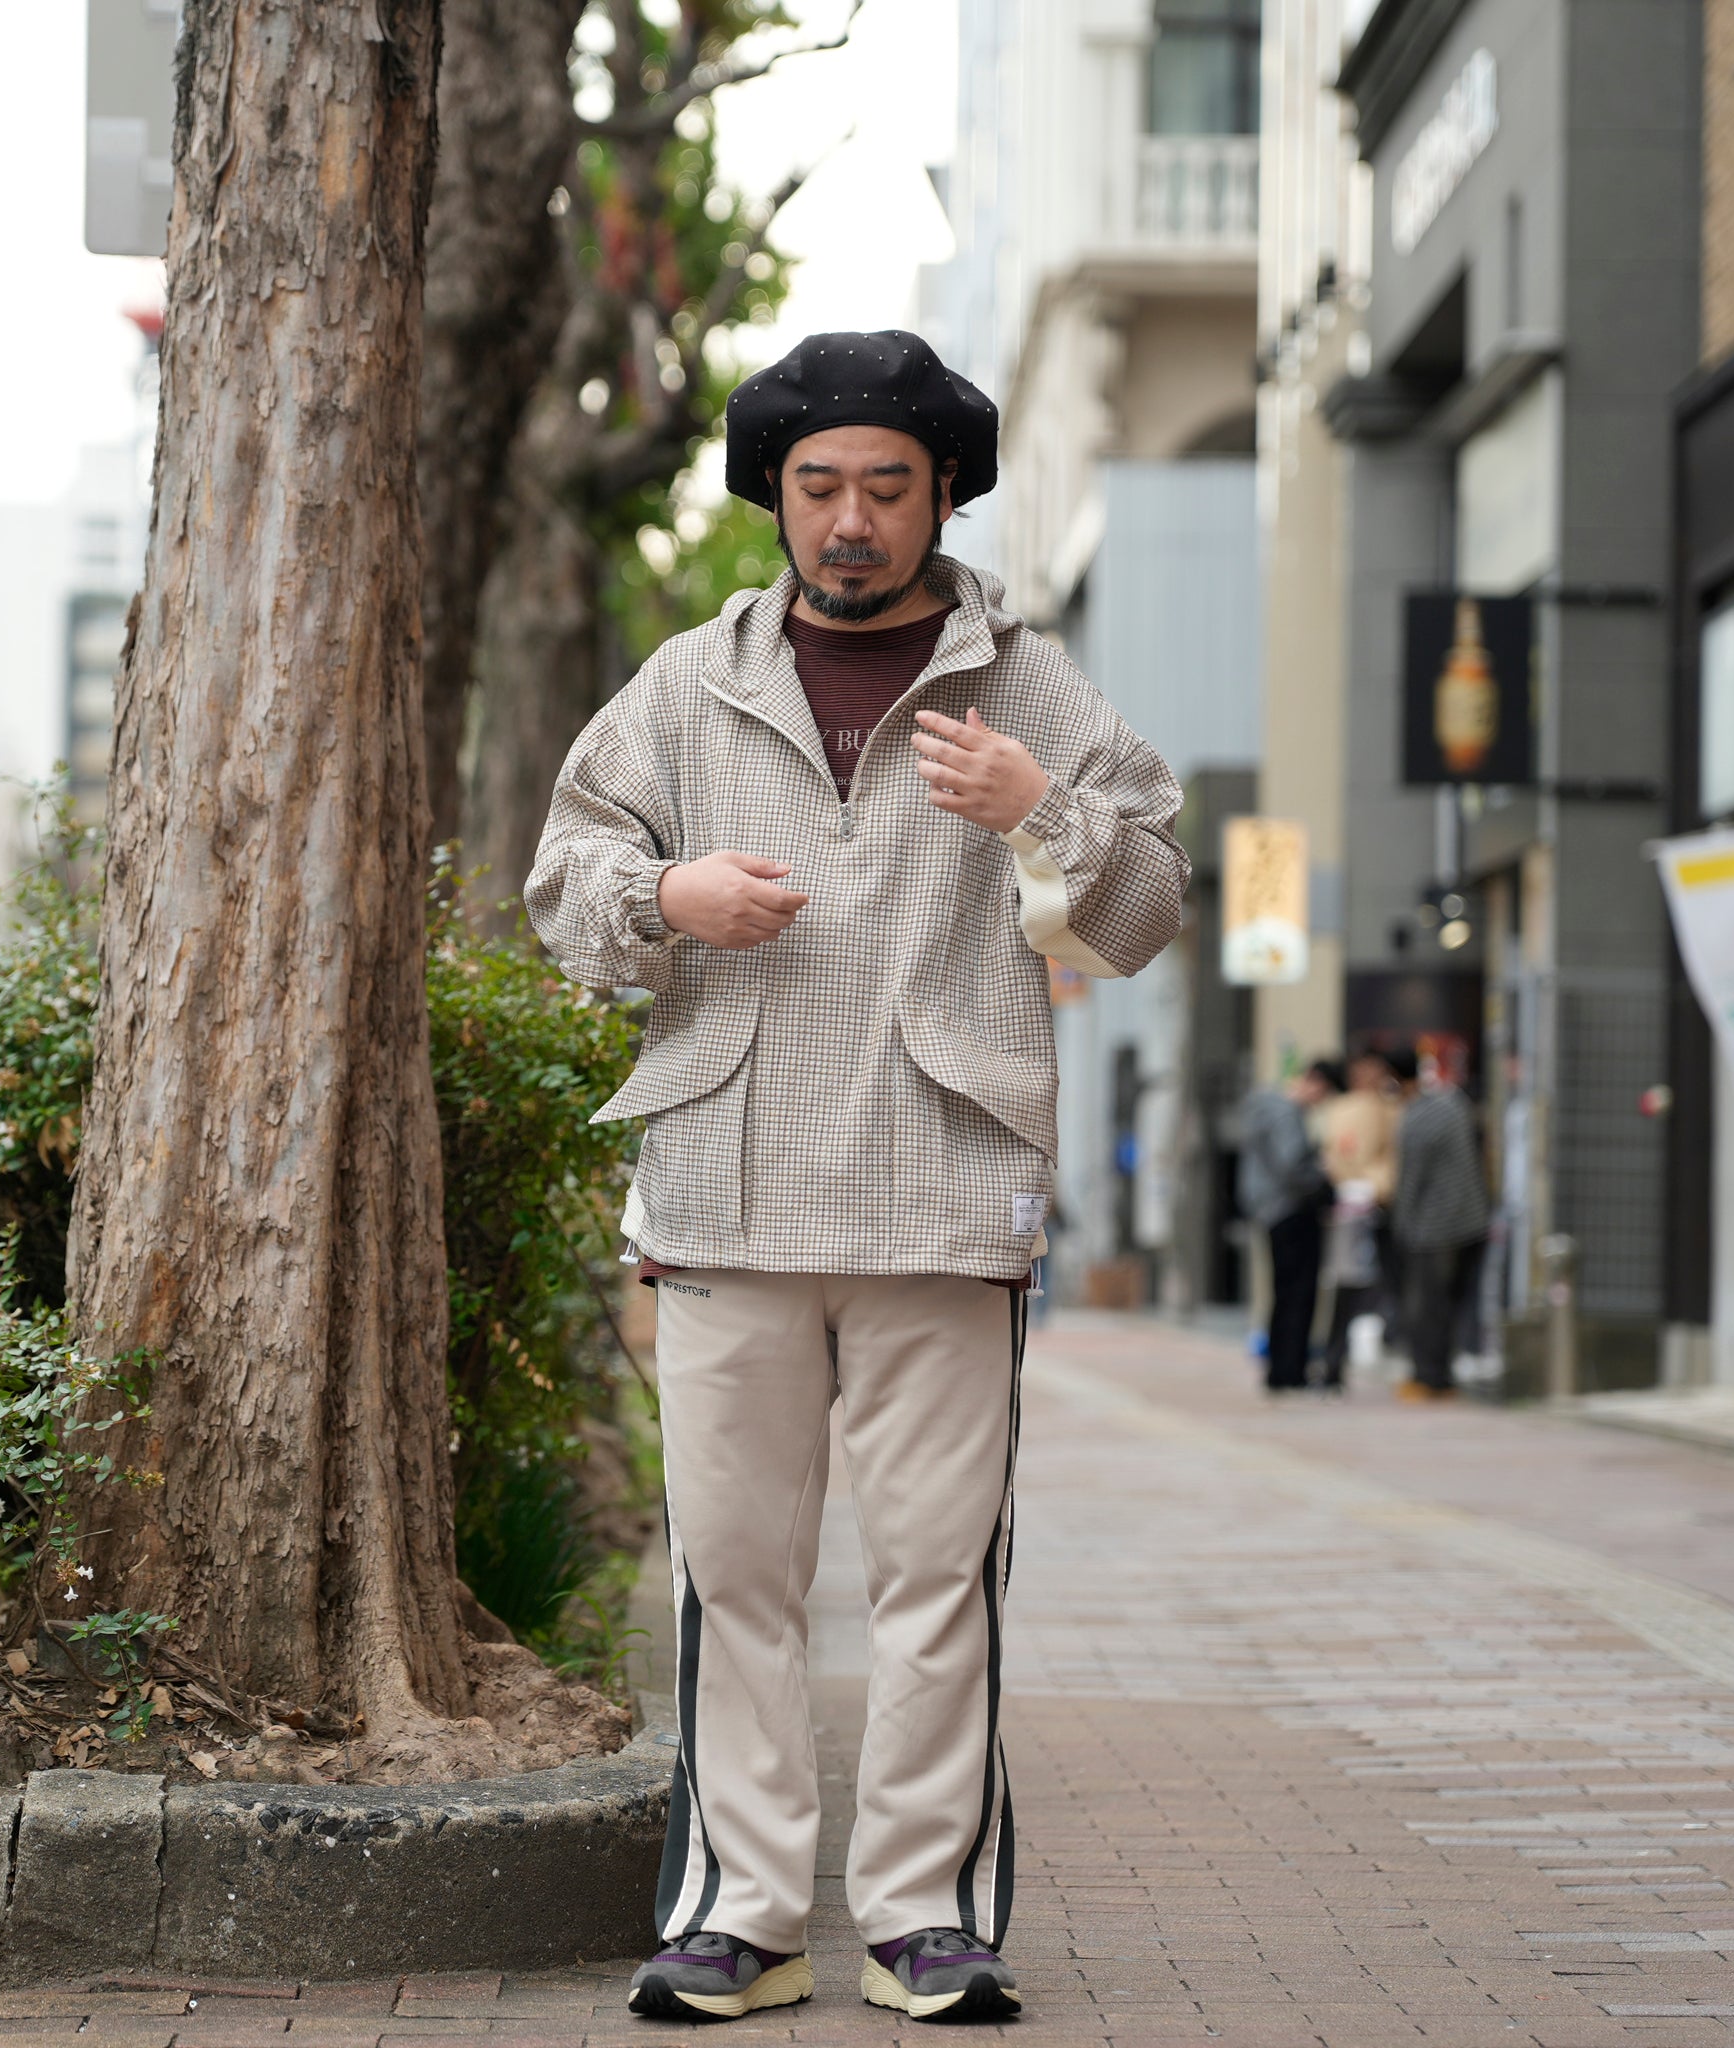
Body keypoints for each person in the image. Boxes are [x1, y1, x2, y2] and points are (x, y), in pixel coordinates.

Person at [526, 330, 1189, 2025]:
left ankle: (921, 1916)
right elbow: (566, 874)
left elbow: (1146, 915)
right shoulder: (684, 682)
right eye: (817, 485)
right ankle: (741, 1913)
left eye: (885, 487)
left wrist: (1044, 808)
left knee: (931, 1574)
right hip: (725, 1187)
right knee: (730, 1570)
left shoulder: (1021, 688)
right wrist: (667, 902)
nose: (849, 519)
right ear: (773, 496)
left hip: (941, 1193)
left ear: (942, 494)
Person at [1389, 1048, 1490, 1399]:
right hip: (1472, 1220)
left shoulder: (1416, 1118)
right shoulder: (1454, 1104)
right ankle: (1444, 1376)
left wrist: (1400, 1226)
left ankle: (1428, 1377)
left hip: (1434, 1227)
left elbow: (1409, 1181)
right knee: (1452, 1304)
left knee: (1426, 1305)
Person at [1237, 1062, 1338, 1393]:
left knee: (1283, 1292)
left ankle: (1280, 1369)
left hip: (1268, 1209)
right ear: (1314, 1082)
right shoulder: (1286, 1112)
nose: (1319, 1102)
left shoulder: (1262, 1106)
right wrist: (1323, 1180)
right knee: (1298, 1293)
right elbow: (1292, 1163)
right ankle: (1290, 1370)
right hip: (1290, 1209)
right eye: (1323, 1093)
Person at [1316, 1051, 1401, 1390]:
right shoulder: (1344, 1111)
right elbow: (1337, 1155)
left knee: (1391, 1286)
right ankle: (1334, 1363)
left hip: (1384, 1208)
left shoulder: (1391, 1110)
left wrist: (1378, 1185)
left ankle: (1392, 1349)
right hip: (1350, 1211)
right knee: (1346, 1289)